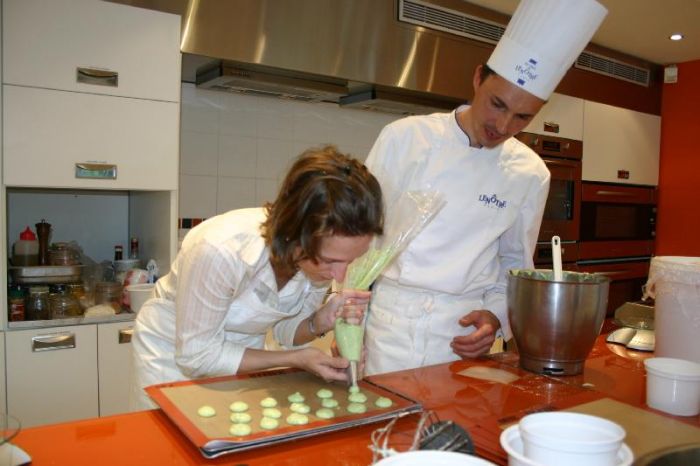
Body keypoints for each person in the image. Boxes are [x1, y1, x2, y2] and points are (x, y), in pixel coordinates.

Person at [362, 0, 608, 375]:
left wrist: (493, 318)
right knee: (385, 411)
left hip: (463, 331)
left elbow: (514, 264)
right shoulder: (404, 138)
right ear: (478, 79)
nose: (503, 125)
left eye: (523, 116)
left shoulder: (530, 173)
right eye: (497, 104)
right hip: (389, 324)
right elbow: (362, 234)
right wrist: (347, 316)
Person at [130, 145, 383, 410]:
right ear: (295, 234)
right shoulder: (220, 250)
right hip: (172, 354)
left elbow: (285, 331)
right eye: (330, 261)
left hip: (244, 355)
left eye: (350, 261)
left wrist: (320, 320)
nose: (339, 275)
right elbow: (196, 356)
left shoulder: (316, 255)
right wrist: (295, 359)